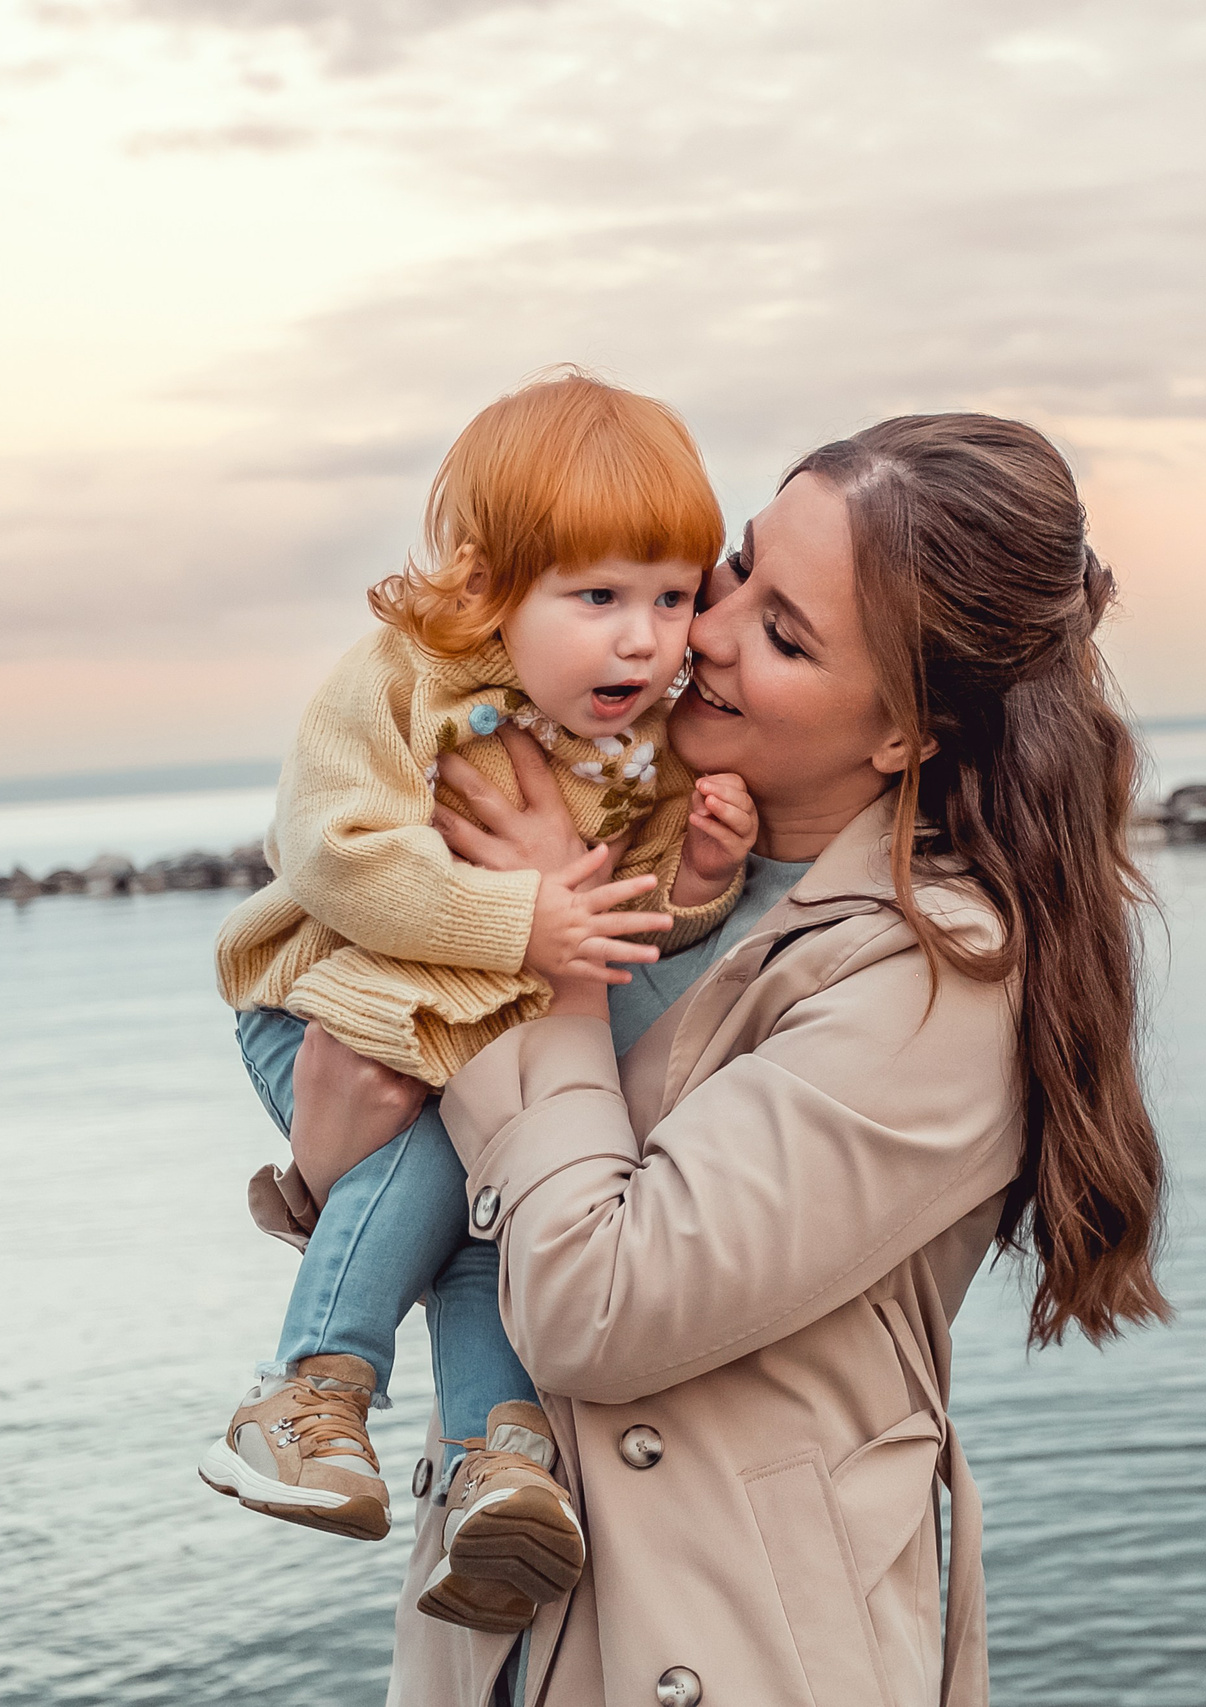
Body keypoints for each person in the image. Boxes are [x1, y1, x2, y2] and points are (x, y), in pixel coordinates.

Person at [278, 412, 1172, 1706]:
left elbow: (596, 1304)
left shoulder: (935, 975)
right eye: (739, 567)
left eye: (785, 631)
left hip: (743, 1659)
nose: (703, 626)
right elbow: (479, 1217)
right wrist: (331, 1163)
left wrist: (553, 963)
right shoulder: (656, 860)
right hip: (505, 1650)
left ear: (904, 735)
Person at [201, 372, 759, 1635]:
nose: (645, 639)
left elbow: (624, 920)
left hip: (486, 1034)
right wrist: (518, 920)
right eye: (600, 597)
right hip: (330, 1000)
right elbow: (336, 849)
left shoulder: (645, 735)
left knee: (493, 1212)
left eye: (673, 598)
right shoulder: (404, 681)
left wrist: (705, 880)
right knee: (441, 1160)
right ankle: (305, 1393)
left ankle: (489, 1461)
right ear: (486, 585)